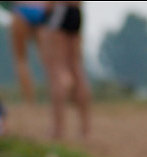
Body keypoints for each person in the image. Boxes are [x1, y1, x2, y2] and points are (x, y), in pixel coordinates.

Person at [44, 1, 91, 138]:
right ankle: (85, 129)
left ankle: (58, 129)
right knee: (77, 68)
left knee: (57, 68)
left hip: (61, 10)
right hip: (77, 11)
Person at [7, 1, 51, 103]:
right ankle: (58, 98)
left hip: (22, 9)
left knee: (21, 60)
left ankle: (29, 101)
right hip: (42, 10)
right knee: (49, 61)